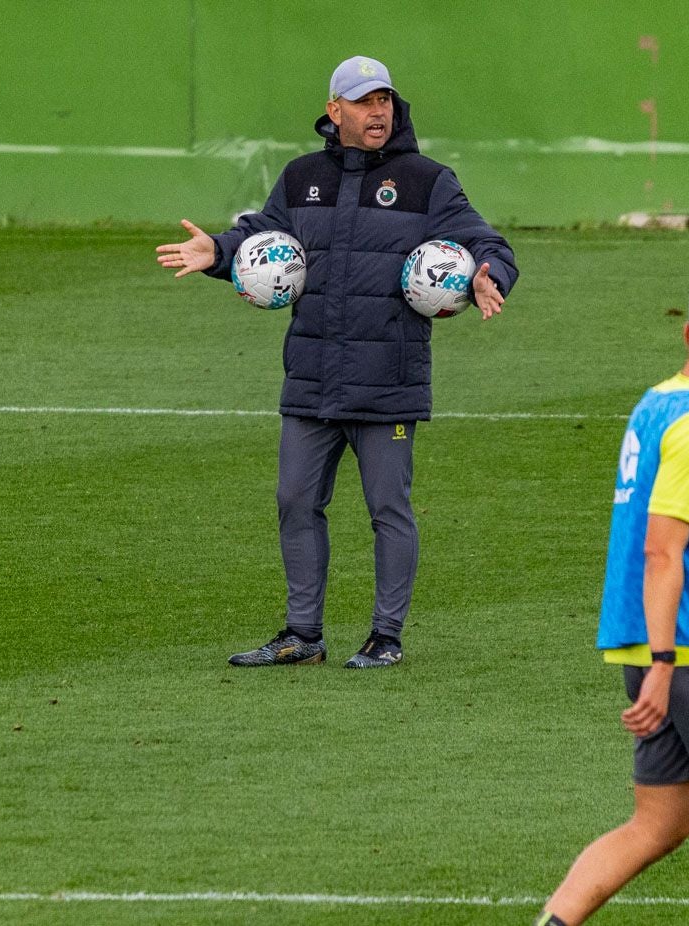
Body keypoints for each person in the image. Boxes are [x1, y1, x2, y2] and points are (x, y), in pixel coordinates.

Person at [156, 55, 518, 669]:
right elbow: (264, 238)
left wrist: (489, 274)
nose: (378, 113)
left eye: (384, 102)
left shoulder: (428, 180)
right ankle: (303, 635)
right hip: (313, 375)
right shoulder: (301, 178)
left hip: (388, 379)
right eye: (364, 102)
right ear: (335, 111)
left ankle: (386, 637)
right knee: (295, 500)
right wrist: (217, 250)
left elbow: (487, 242)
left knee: (388, 509)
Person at [537, 272, 689, 926]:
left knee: (659, 824)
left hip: (674, 640)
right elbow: (659, 549)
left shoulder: (653, 405)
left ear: (687, 333)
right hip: (687, 655)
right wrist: (667, 661)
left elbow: (675, 546)